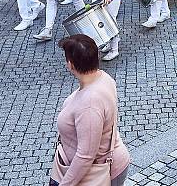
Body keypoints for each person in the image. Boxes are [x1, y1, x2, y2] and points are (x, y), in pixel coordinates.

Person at [52, 35, 130, 186]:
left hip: (96, 172)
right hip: (112, 161)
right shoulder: (103, 78)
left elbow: (86, 155)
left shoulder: (89, 105)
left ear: (70, 64)